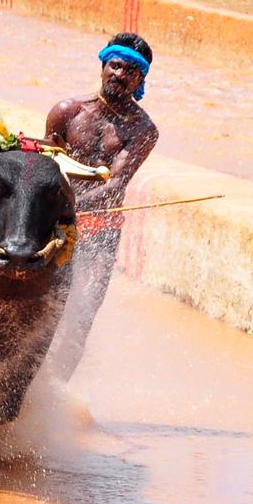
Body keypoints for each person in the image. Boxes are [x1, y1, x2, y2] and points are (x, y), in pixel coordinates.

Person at [43, 34, 161, 383]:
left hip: (98, 231)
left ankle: (55, 394)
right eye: (116, 65)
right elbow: (47, 168)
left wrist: (71, 207)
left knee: (81, 316)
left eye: (131, 71)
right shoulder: (66, 111)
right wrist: (54, 210)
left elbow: (114, 185)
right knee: (44, 309)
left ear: (140, 81)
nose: (121, 75)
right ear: (103, 67)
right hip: (53, 225)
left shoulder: (144, 130)